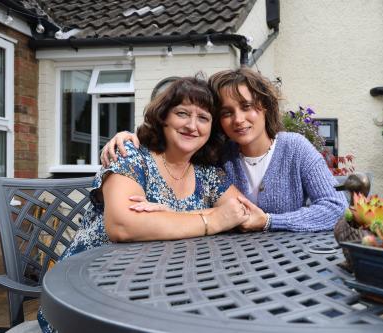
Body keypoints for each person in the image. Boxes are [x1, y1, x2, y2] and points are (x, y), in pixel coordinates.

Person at [39, 76, 249, 333]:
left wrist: (176, 213)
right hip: (92, 296)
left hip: (161, 293)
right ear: (163, 117)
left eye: (203, 118)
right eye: (182, 113)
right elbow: (124, 225)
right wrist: (213, 219)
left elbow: (245, 213)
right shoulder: (131, 155)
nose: (192, 125)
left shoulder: (207, 174)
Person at [102, 69, 348, 232]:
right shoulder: (218, 155)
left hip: (287, 262)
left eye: (247, 107)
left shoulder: (295, 147)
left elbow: (336, 208)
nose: (238, 119)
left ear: (264, 107)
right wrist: (131, 136)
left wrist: (271, 221)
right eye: (227, 113)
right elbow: (228, 214)